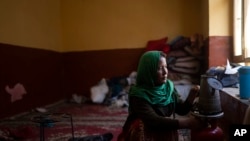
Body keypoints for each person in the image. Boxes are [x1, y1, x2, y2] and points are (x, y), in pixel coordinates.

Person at [117, 51, 205, 141]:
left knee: (169, 126)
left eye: (165, 67)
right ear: (148, 71)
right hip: (144, 132)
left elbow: (182, 110)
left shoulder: (168, 87)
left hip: (161, 127)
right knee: (139, 126)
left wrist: (192, 94)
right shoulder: (138, 94)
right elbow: (153, 120)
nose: (165, 72)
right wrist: (187, 123)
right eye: (159, 68)